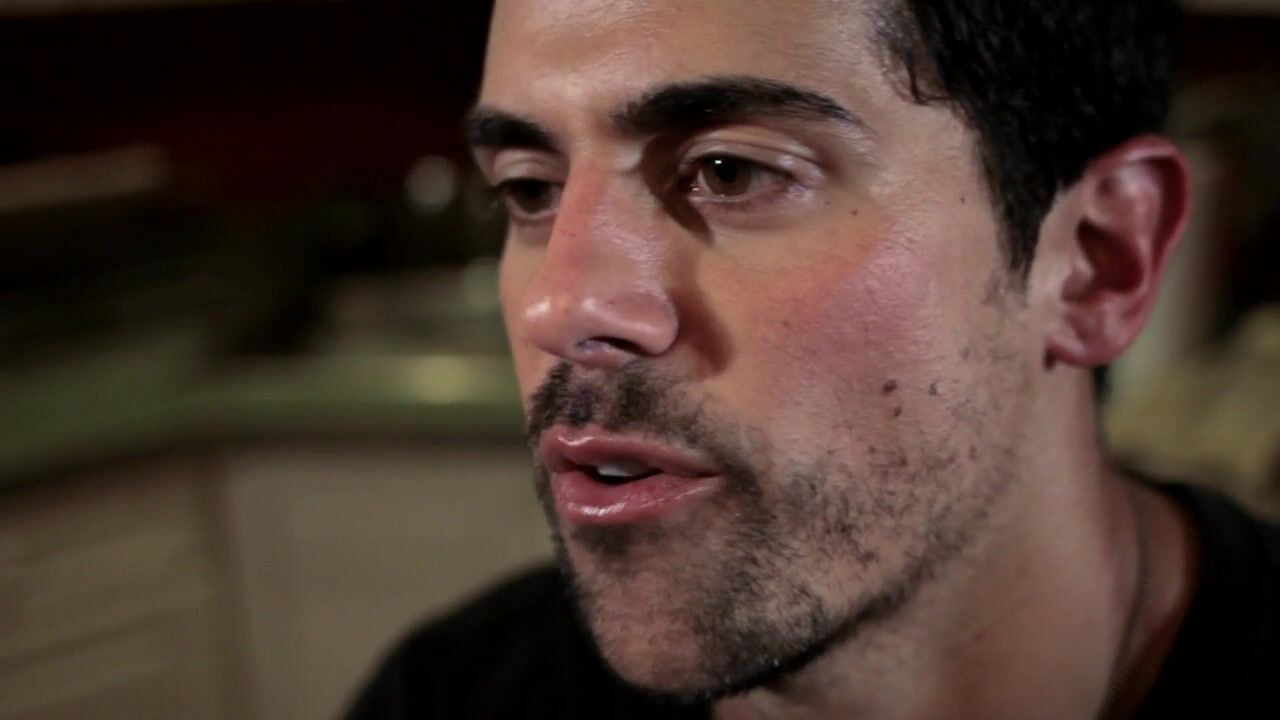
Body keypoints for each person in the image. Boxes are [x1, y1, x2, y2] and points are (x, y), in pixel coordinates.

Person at [346, 1, 1280, 717]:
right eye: (529, 190)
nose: (559, 307)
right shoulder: (454, 696)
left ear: (1095, 262)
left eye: (732, 172)